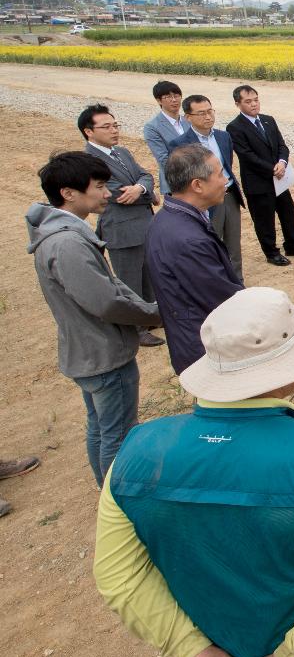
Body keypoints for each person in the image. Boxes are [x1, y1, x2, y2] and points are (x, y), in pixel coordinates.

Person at [94, 287, 294, 657]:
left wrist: (189, 647)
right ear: (293, 371)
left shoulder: (135, 450)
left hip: (214, 651)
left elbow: (117, 576)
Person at [26, 151, 161, 486]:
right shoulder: (67, 243)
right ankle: (120, 499)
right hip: (103, 355)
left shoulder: (62, 234)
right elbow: (106, 301)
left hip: (90, 351)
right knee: (117, 434)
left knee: (101, 427)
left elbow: (109, 287)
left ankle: (106, 487)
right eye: (99, 186)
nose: (107, 194)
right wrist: (155, 313)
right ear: (68, 193)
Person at [146, 145, 244, 375]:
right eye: (219, 174)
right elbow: (222, 300)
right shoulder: (187, 240)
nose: (226, 181)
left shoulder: (170, 218)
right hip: (207, 349)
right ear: (197, 185)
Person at [79, 104, 164, 347]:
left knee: (150, 275)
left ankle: (152, 317)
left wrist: (141, 188)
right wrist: (148, 192)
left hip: (144, 224)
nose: (114, 130)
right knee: (129, 281)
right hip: (122, 228)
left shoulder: (122, 152)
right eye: (106, 127)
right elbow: (115, 193)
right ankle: (135, 329)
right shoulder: (89, 160)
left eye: (115, 125)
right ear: (89, 132)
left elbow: (145, 175)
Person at [226, 84, 294, 267]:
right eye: (248, 101)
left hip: (280, 179)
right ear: (237, 104)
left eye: (256, 100)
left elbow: (282, 145)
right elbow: (247, 156)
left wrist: (282, 163)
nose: (254, 104)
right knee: (264, 219)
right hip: (258, 182)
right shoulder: (234, 127)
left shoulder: (268, 120)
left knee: (288, 211)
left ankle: (292, 245)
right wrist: (272, 169)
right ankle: (271, 252)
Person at [169, 95, 245, 282]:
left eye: (210, 111)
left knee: (233, 244)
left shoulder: (223, 136)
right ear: (188, 117)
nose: (208, 117)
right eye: (201, 113)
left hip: (229, 195)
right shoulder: (179, 145)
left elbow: (226, 165)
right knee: (211, 243)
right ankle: (215, 284)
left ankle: (237, 283)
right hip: (204, 200)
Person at [142, 80, 189, 195]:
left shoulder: (187, 120)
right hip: (176, 183)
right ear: (159, 100)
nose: (174, 100)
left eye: (177, 96)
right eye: (168, 97)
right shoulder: (152, 127)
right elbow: (164, 159)